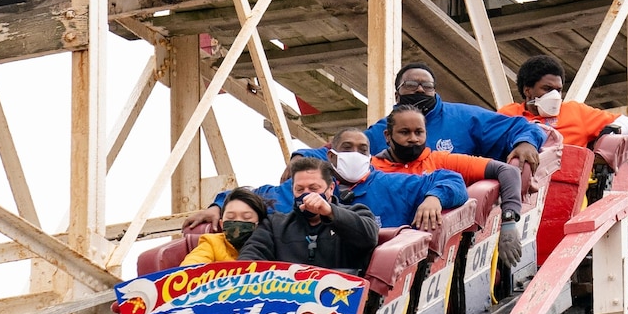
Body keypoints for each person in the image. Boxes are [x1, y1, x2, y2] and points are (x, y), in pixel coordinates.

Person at [184, 129, 467, 231]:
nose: (355, 155)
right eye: (347, 149)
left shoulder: (393, 184)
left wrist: (434, 197)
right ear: (330, 157)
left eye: (363, 150)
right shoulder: (288, 194)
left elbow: (451, 181)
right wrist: (218, 206)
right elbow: (247, 195)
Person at [372, 104, 526, 266]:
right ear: (388, 136)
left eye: (419, 132)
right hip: (381, 250)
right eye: (404, 132)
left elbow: (507, 171)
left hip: (430, 260)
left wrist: (509, 220)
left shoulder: (441, 162)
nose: (413, 139)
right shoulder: (371, 169)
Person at [365, 63, 543, 169]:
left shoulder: (465, 118)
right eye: (411, 84)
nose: (420, 89)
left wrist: (526, 142)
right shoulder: (376, 133)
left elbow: (522, 127)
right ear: (397, 95)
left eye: (427, 86)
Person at [237, 156, 380, 272]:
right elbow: (250, 257)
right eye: (299, 189)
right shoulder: (274, 224)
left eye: (313, 188)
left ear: (330, 189)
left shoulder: (357, 212)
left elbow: (369, 237)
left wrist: (330, 212)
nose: (306, 195)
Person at [498, 54, 628, 147]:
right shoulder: (508, 115)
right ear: (527, 90)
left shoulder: (575, 112)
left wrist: (611, 133)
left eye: (558, 90)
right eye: (547, 89)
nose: (555, 95)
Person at [182, 188, 268, 265]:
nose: (238, 221)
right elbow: (190, 267)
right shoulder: (212, 243)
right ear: (221, 224)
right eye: (231, 217)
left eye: (246, 217)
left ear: (259, 224)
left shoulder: (269, 245)